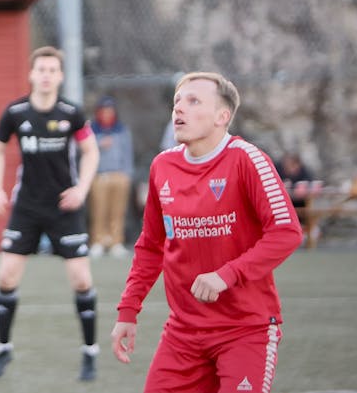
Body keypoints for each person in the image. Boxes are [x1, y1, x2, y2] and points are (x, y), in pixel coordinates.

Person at [110, 72, 303, 393]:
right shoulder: (163, 167)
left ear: (222, 117)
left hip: (245, 329)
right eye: (177, 101)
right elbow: (150, 246)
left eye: (193, 101)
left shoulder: (248, 160)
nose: (179, 109)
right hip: (184, 332)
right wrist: (128, 311)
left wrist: (227, 275)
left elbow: (286, 232)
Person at [0, 46, 101, 381]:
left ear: (60, 76)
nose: (47, 75)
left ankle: (90, 353)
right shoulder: (16, 112)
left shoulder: (72, 113)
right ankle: (3, 349)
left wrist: (82, 190)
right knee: (6, 276)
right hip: (27, 208)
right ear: (32, 74)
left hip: (65, 208)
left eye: (53, 70)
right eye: (42, 69)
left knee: (81, 279)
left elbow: (90, 150)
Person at [88, 95, 134, 259]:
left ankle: (116, 242)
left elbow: (127, 153)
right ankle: (98, 242)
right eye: (104, 111)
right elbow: (84, 152)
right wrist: (100, 145)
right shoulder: (92, 130)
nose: (107, 114)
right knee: (99, 211)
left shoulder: (122, 130)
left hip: (119, 174)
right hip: (99, 175)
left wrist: (127, 174)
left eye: (110, 110)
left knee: (118, 211)